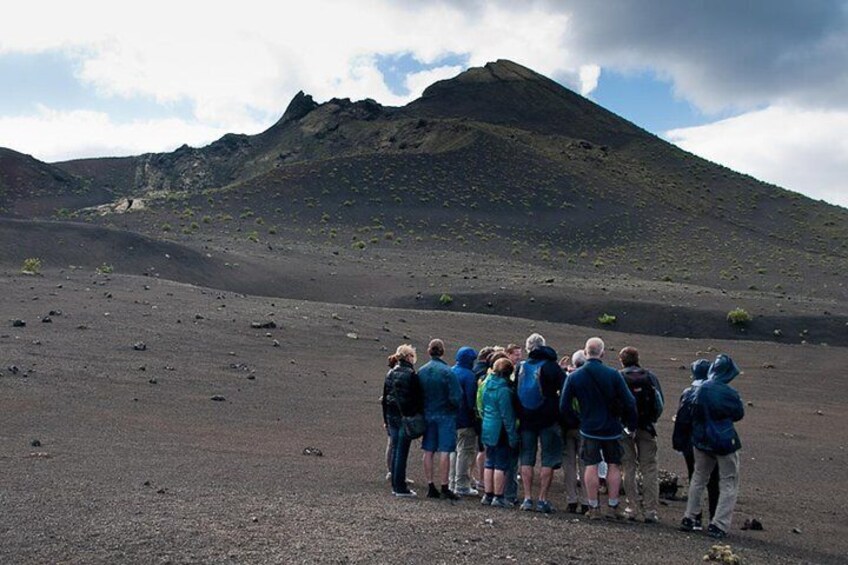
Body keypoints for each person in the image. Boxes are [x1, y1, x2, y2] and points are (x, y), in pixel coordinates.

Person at [561, 337, 637, 520]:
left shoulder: (574, 376)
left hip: (588, 427)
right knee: (613, 465)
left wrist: (577, 420)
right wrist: (630, 425)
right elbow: (630, 401)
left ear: (586, 353)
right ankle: (613, 505)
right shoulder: (613, 374)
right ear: (602, 353)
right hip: (611, 427)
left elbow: (564, 405)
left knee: (591, 465)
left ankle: (593, 506)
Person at [680, 354, 745, 540]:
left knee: (698, 478)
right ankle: (719, 524)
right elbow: (738, 413)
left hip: (700, 440)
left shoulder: (698, 388)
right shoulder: (728, 392)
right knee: (728, 482)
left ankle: (689, 517)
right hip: (723, 440)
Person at [516, 333, 565, 514]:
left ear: (528, 348)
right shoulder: (551, 367)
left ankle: (528, 498)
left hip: (526, 418)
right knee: (548, 458)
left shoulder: (520, 367)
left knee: (527, 457)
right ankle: (543, 499)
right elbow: (565, 387)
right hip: (548, 418)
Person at [617, 346, 664, 523]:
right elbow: (659, 401)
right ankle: (651, 510)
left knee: (628, 467)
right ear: (638, 358)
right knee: (649, 468)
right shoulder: (650, 376)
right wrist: (652, 420)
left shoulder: (619, 376)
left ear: (622, 360)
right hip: (646, 426)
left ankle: (632, 508)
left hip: (624, 427)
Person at [673, 359, 720, 530]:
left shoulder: (688, 393)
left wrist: (678, 441)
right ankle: (714, 518)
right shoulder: (715, 392)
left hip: (691, 442)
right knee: (714, 481)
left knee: (695, 478)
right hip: (713, 441)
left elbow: (682, 420)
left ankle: (695, 517)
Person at [418, 338, 463, 500]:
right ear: (442, 351)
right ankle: (444, 485)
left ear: (429, 351)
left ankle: (430, 485)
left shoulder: (422, 371)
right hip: (445, 415)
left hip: (428, 413)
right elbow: (456, 397)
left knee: (428, 450)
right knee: (445, 450)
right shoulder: (447, 372)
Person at [382, 344, 423, 497]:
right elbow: (417, 398)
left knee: (394, 448)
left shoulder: (390, 373)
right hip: (405, 417)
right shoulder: (412, 375)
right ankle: (399, 486)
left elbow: (385, 398)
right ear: (408, 357)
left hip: (391, 415)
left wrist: (385, 417)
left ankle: (395, 481)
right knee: (401, 452)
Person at [480, 357, 520, 507]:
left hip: (488, 426)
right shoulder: (504, 390)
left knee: (489, 461)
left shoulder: (486, 385)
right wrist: (513, 436)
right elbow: (507, 416)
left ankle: (488, 494)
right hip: (500, 429)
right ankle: (498, 496)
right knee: (501, 464)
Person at [560, 349, 589, 514]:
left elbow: (564, 403)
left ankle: (571, 499)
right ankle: (586, 500)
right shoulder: (588, 379)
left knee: (569, 464)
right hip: (584, 426)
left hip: (567, 426)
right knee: (585, 463)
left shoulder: (568, 378)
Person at [449, 346, 480, 496]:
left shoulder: (451, 371)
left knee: (454, 451)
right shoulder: (469, 376)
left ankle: (451, 482)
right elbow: (470, 401)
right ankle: (461, 484)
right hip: (465, 420)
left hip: (450, 418)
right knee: (465, 452)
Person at [503, 344, 523, 505]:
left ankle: (495, 492)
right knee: (510, 461)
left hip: (494, 425)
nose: (519, 357)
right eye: (516, 354)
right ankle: (508, 494)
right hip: (510, 424)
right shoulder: (508, 385)